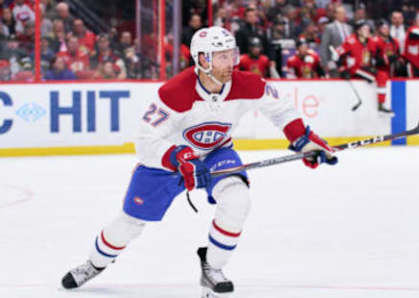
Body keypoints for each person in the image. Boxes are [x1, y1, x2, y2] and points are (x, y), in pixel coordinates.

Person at [60, 26, 338, 297]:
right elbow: (145, 141)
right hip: (168, 161)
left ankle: (213, 268)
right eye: (222, 56)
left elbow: (281, 111)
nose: (231, 62)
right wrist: (179, 157)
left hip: (217, 153)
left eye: (232, 54)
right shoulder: (175, 92)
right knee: (129, 224)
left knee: (237, 199)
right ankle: (94, 263)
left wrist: (303, 139)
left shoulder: (248, 84)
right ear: (202, 59)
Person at [369, 19, 400, 114]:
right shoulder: (374, 41)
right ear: (379, 29)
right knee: (382, 77)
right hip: (378, 71)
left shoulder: (394, 41)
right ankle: (381, 104)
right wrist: (384, 60)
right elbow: (372, 59)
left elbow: (398, 55)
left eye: (387, 28)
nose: (386, 30)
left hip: (391, 71)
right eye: (383, 28)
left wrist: (396, 59)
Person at [319, 5, 352, 77]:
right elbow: (324, 46)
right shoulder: (329, 28)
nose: (343, 15)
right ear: (335, 15)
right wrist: (325, 63)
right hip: (334, 60)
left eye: (344, 13)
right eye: (341, 13)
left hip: (348, 61)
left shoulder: (349, 28)